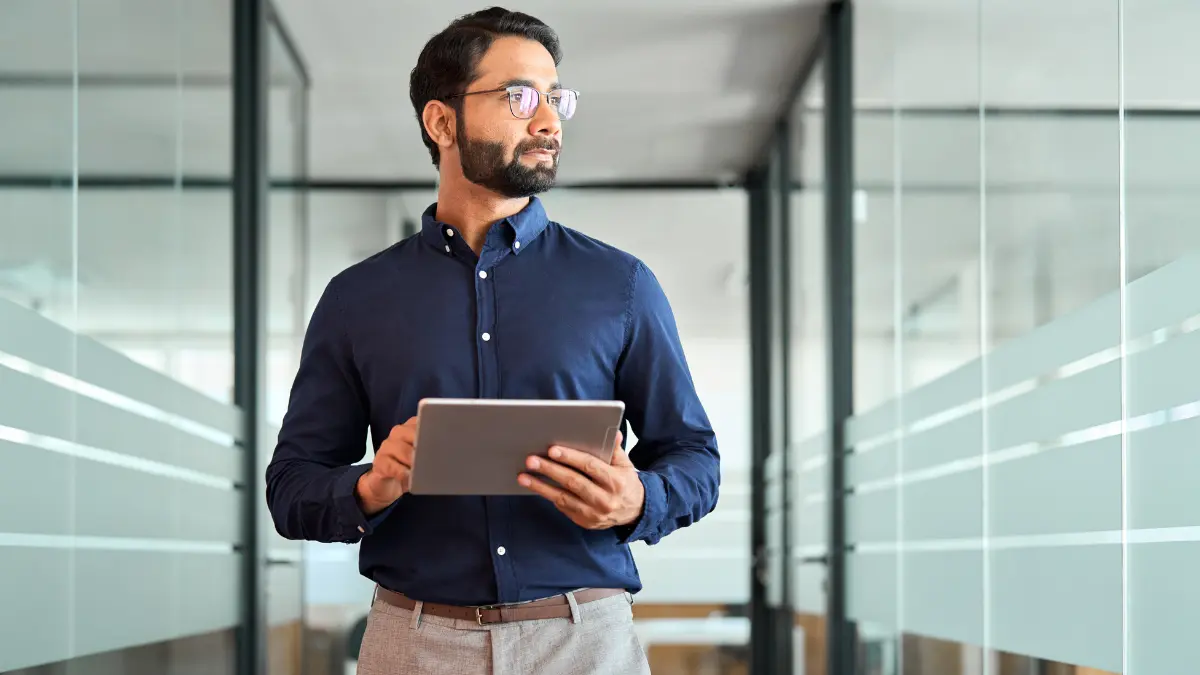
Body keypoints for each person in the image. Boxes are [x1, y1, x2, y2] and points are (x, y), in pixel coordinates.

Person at [265, 7, 720, 674]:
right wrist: (372, 485)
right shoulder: (356, 299)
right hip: (414, 640)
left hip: (584, 638)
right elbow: (291, 486)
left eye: (555, 97)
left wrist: (640, 500)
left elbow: (695, 457)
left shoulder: (621, 285)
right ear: (441, 121)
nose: (549, 120)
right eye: (519, 96)